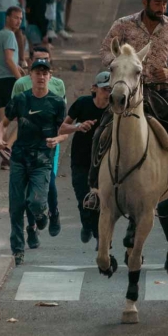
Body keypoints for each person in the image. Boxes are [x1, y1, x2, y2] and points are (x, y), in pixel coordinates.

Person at [96, 0, 168, 216]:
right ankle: (94, 188)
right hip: (128, 91)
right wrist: (120, 64)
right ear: (145, 2)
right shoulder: (123, 24)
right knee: (102, 131)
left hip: (159, 91)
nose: (162, 6)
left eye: (164, 3)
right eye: (157, 2)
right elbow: (104, 50)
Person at [0, 58, 76, 265]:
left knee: (36, 202)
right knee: (16, 206)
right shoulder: (21, 99)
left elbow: (64, 132)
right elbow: (3, 123)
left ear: (50, 77)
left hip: (42, 159)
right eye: (37, 73)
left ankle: (41, 216)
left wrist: (56, 139)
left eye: (44, 73)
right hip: (20, 158)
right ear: (30, 76)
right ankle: (18, 249)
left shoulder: (57, 103)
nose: (41, 77)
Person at [63, 72, 110, 243]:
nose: (108, 93)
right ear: (94, 88)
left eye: (111, 89)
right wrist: (78, 126)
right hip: (80, 161)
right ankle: (86, 225)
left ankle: (100, 239)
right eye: (105, 89)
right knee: (84, 198)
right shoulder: (83, 104)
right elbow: (62, 128)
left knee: (100, 202)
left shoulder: (115, 109)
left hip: (104, 163)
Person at [0, 6, 24, 127]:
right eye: (16, 17)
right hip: (8, 80)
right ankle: (9, 144)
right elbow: (9, 59)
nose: (18, 21)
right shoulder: (9, 35)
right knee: (23, 117)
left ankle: (3, 145)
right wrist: (20, 79)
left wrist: (17, 66)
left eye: (20, 18)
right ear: (7, 18)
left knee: (3, 121)